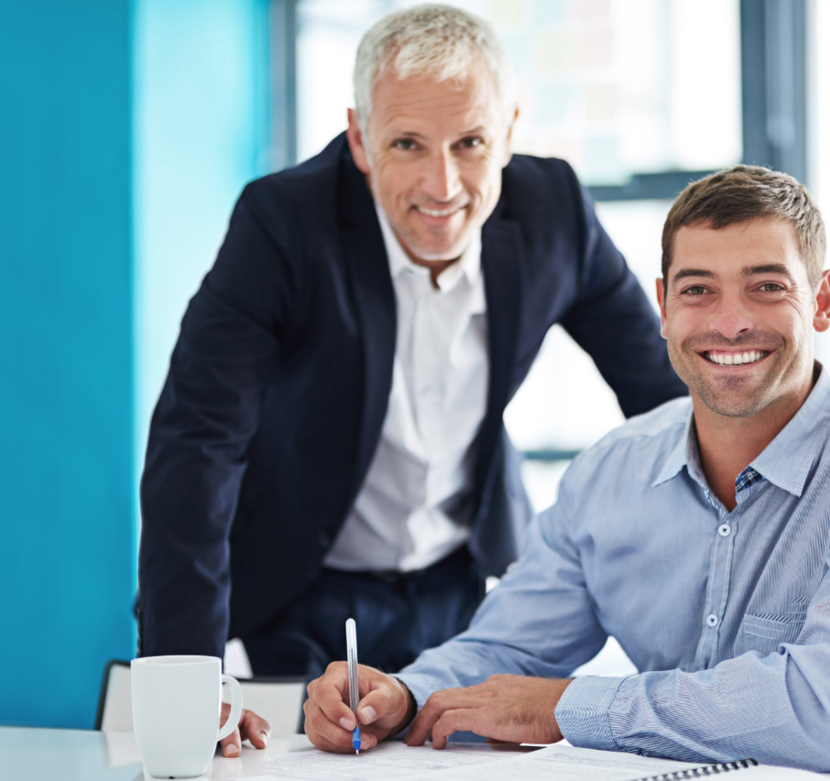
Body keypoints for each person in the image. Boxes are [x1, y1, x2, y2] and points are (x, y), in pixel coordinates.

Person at [301, 166, 830, 781]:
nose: (730, 321)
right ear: (663, 305)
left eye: (767, 287)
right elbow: (512, 646)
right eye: (697, 290)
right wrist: (406, 691)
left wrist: (569, 707)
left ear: (822, 299)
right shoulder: (608, 473)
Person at [136, 3, 687, 754]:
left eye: (470, 143)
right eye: (407, 143)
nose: (444, 184)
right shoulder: (283, 223)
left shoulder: (554, 212)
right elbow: (197, 441)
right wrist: (188, 679)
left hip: (461, 580)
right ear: (359, 137)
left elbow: (669, 401)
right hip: (300, 579)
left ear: (510, 130)